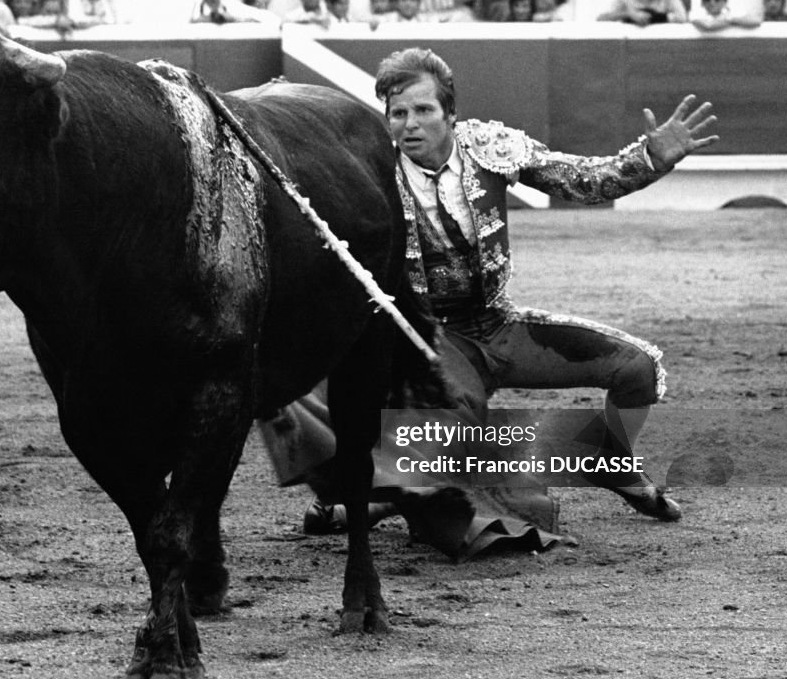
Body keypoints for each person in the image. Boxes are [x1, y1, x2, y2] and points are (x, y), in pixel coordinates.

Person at [273, 47, 718, 556]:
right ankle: (377, 502)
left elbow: (583, 180)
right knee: (458, 420)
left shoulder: (488, 147)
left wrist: (649, 159)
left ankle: (611, 458)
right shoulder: (371, 172)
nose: (409, 125)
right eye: (398, 114)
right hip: (430, 336)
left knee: (637, 368)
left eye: (423, 111)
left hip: (497, 324)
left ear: (451, 115)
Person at [692, 0, 760, 31]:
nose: (712, 2)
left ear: (724, 0)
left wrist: (731, 20)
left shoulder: (733, 12)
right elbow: (708, 25)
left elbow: (756, 21)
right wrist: (731, 22)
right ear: (703, 0)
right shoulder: (697, 13)